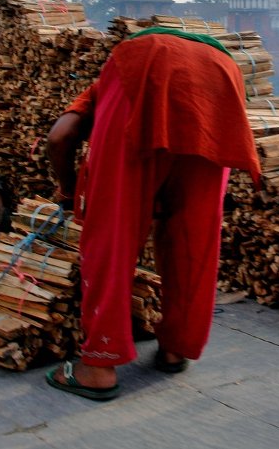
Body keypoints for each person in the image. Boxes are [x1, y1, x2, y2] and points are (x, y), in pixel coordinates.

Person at [45, 27, 261, 400]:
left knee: (111, 233)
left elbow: (59, 137)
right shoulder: (191, 57)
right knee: (194, 233)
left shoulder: (105, 85)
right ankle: (176, 348)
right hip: (220, 74)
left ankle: (97, 366)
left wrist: (67, 190)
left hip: (147, 63)